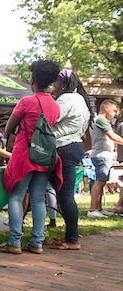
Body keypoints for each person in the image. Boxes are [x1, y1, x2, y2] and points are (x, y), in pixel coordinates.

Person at [0, 60, 61, 255]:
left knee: (16, 197)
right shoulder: (55, 105)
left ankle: (14, 242)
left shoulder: (26, 101)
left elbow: (9, 128)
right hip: (44, 155)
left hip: (25, 153)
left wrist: (16, 128)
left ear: (33, 80)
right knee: (37, 199)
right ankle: (37, 243)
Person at [47, 70, 92, 248]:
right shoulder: (80, 99)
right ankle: (69, 236)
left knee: (65, 196)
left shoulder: (66, 100)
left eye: (56, 83)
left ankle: (72, 239)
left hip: (63, 148)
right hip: (75, 146)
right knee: (63, 195)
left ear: (63, 85)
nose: (53, 86)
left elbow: (51, 118)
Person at [87, 99, 123, 217]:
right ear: (106, 108)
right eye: (113, 110)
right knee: (99, 181)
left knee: (102, 181)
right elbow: (113, 136)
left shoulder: (98, 119)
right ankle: (93, 209)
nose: (114, 114)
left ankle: (98, 207)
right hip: (101, 155)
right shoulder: (101, 120)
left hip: (102, 154)